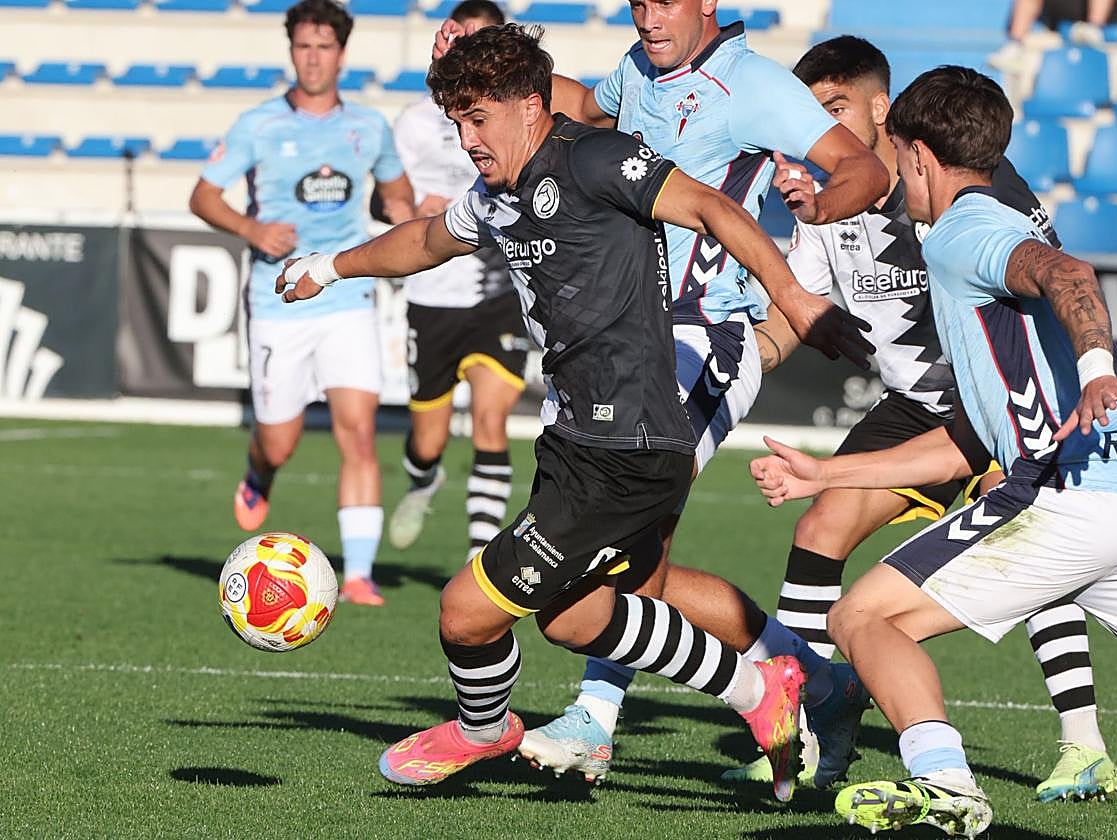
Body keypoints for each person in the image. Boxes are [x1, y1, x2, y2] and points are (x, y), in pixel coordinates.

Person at [277, 23, 877, 802]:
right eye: (457, 123)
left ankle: (495, 729)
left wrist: (791, 299)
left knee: (464, 613)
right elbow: (425, 241)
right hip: (575, 438)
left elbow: (712, 208)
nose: (467, 140)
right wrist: (329, 266)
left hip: (628, 439)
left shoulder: (596, 159)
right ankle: (768, 688)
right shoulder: (498, 194)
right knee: (577, 616)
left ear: (530, 107)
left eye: (478, 120)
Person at [430, 0, 889, 785]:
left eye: (664, 1)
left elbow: (864, 168)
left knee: (632, 546)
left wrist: (814, 218)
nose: (647, 16)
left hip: (701, 337)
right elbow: (572, 106)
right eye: (637, 2)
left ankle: (595, 719)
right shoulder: (639, 67)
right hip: (613, 342)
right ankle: (820, 683)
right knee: (635, 571)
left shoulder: (752, 83)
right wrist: (478, 59)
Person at [751, 66, 1117, 837]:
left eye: (898, 158)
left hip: (1070, 496)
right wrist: (825, 473)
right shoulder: (999, 224)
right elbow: (967, 442)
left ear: (919, 156)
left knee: (862, 616)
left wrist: (1096, 368)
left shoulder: (964, 230)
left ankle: (947, 782)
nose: (896, 176)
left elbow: (1068, 272)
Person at [189, 0, 409, 606]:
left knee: (358, 432)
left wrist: (405, 213)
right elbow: (203, 196)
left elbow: (396, 195)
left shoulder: (369, 126)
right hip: (279, 300)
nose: (313, 59)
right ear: (291, 51)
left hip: (346, 295)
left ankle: (358, 574)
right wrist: (253, 229)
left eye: (324, 47)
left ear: (342, 53)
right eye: (303, 47)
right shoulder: (258, 124)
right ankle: (260, 471)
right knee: (279, 441)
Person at [383, 0, 529, 564]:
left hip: (497, 295)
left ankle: (478, 561)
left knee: (491, 422)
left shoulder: (517, 117)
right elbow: (383, 196)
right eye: (464, 39)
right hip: (431, 297)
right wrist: (413, 211)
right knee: (429, 440)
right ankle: (424, 479)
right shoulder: (416, 122)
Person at [989, 0, 1117, 72]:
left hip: (1105, 40)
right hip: (1056, 35)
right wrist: (1016, 42)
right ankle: (1015, 48)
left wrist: (1093, 27)